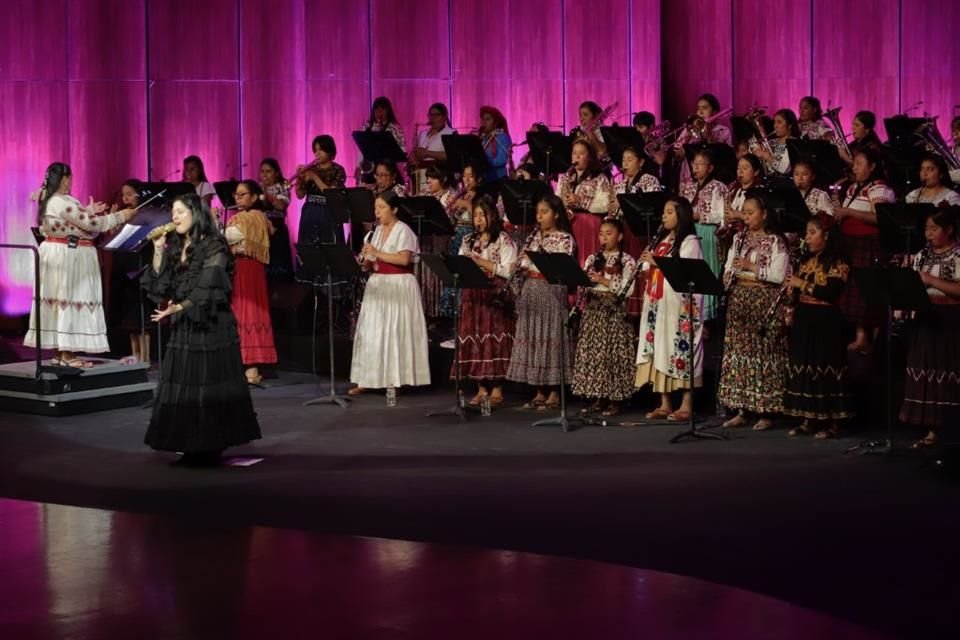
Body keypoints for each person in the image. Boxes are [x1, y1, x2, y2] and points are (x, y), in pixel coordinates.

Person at [143, 194, 261, 466]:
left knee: (208, 382)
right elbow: (162, 287)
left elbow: (209, 286)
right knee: (186, 382)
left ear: (196, 213)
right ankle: (188, 442)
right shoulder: (175, 245)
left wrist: (180, 307)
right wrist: (158, 250)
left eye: (180, 211)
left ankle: (210, 443)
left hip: (210, 324)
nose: (175, 217)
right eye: (173, 212)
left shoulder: (214, 245)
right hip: (185, 323)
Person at [24, 163, 135, 367]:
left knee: (61, 300)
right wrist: (121, 216)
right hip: (69, 256)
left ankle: (62, 352)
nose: (71, 181)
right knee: (70, 298)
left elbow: (76, 222)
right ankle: (67, 354)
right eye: (70, 177)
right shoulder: (59, 200)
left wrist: (88, 210)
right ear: (65, 178)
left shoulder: (51, 200)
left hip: (61, 253)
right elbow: (92, 225)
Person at [717, 195, 791, 431]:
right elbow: (729, 265)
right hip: (740, 300)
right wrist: (727, 275)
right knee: (739, 352)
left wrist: (751, 267)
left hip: (763, 301)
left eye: (751, 212)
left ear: (764, 214)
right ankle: (742, 408)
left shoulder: (776, 241)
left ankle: (766, 411)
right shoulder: (739, 238)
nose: (746, 217)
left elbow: (779, 275)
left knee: (763, 354)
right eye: (744, 213)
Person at [349, 191, 431, 396]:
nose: (377, 213)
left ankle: (394, 379)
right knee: (372, 332)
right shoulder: (374, 232)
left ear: (394, 209)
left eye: (382, 208)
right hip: (378, 285)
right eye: (376, 208)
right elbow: (368, 265)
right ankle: (368, 378)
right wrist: (365, 260)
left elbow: (404, 260)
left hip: (399, 285)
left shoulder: (404, 231)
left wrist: (376, 253)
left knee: (394, 332)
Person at [783, 214, 855, 439]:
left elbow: (831, 292)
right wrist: (790, 299)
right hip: (805, 317)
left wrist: (801, 283)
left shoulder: (839, 262)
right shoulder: (805, 260)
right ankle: (808, 419)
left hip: (827, 320)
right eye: (807, 233)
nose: (807, 238)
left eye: (812, 233)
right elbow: (796, 289)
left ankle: (834, 422)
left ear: (827, 236)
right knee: (805, 366)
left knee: (826, 368)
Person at [636, 197, 704, 422]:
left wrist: (656, 262)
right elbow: (649, 267)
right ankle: (664, 403)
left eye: (668, 212)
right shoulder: (662, 240)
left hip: (677, 305)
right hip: (657, 301)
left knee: (679, 349)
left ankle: (686, 404)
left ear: (680, 215)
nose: (663, 216)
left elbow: (686, 270)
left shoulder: (690, 241)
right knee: (659, 348)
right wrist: (647, 265)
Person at [506, 194, 575, 410]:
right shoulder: (532, 238)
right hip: (531, 291)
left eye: (544, 212)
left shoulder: (564, 239)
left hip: (551, 292)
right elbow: (523, 263)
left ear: (556, 214)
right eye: (538, 213)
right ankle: (538, 389)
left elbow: (561, 267)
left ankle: (554, 390)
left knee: (551, 336)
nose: (539, 217)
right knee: (533, 337)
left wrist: (534, 263)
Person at [899, 207, 960, 449]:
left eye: (934, 229)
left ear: (949, 230)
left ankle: (950, 430)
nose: (928, 234)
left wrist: (931, 280)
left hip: (951, 321)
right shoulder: (921, 255)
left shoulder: (957, 255)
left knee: (947, 371)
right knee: (926, 370)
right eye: (926, 229)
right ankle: (931, 428)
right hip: (925, 318)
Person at [571, 218, 638, 417]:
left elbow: (629, 289)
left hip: (614, 311)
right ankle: (599, 397)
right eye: (601, 233)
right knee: (596, 354)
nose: (604, 237)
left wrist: (603, 280)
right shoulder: (592, 258)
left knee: (612, 355)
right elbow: (583, 282)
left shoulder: (627, 260)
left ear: (619, 236)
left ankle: (615, 399)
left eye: (609, 233)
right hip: (594, 309)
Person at [455, 197, 518, 407]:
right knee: (474, 338)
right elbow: (459, 264)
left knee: (494, 339)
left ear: (492, 216)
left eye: (483, 215)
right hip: (472, 295)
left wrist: (481, 262)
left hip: (494, 295)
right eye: (475, 215)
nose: (478, 219)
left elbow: (509, 270)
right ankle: (481, 387)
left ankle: (498, 387)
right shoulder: (468, 240)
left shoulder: (504, 240)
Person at [834, 147, 895, 354]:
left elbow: (881, 218)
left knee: (867, 293)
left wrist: (848, 212)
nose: (855, 167)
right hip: (849, 243)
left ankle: (874, 342)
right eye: (854, 163)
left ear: (872, 166)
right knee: (853, 293)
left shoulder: (879, 188)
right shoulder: (852, 187)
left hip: (869, 245)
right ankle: (860, 338)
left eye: (860, 163)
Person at [224, 180, 277, 385]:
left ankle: (251, 369)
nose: (238, 198)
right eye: (236, 195)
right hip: (244, 269)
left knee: (248, 312)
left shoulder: (249, 218)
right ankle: (245, 367)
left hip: (247, 270)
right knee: (243, 312)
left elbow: (227, 237)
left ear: (254, 197)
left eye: (243, 194)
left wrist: (212, 224)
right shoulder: (253, 218)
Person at [678, 149, 728, 322]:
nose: (696, 167)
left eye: (700, 164)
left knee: (707, 270)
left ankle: (707, 316)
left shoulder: (718, 187)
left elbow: (722, 214)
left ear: (711, 167)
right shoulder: (688, 186)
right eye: (694, 163)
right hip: (690, 230)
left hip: (707, 232)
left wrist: (698, 215)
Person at [108, 179, 152, 363]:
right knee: (130, 322)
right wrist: (113, 219)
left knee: (141, 319)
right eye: (123, 194)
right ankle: (135, 355)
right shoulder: (122, 214)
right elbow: (113, 237)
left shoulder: (146, 214)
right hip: (123, 267)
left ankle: (146, 357)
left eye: (129, 194)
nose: (125, 198)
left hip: (139, 268)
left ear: (138, 194)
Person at [556, 139, 616, 264]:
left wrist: (580, 201)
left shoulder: (599, 178)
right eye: (574, 153)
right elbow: (557, 199)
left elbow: (605, 205)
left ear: (589, 157)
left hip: (589, 224)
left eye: (581, 153)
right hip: (568, 224)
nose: (576, 156)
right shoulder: (565, 178)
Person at [295, 134, 347, 245]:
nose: (317, 153)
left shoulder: (338, 170)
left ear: (330, 151)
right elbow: (300, 195)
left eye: (321, 149)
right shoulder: (311, 169)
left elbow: (331, 194)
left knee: (328, 246)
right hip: (310, 211)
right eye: (315, 150)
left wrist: (314, 177)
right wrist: (299, 178)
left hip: (328, 212)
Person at [258, 158, 294, 280]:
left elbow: (281, 205)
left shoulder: (282, 187)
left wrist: (266, 195)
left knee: (277, 266)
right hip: (260, 229)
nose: (264, 175)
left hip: (277, 229)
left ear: (276, 173)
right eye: (262, 171)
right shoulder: (257, 188)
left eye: (268, 171)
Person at [408, 102, 455, 194]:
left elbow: (450, 155)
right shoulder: (423, 133)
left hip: (438, 175)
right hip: (420, 173)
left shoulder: (451, 133)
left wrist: (427, 153)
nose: (432, 118)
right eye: (431, 115)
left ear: (444, 117)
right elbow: (415, 152)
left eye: (436, 115)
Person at [357, 96, 406, 183]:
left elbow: (402, 149)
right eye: (376, 108)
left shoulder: (394, 127)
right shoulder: (368, 126)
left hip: (387, 167)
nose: (379, 111)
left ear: (388, 110)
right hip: (370, 168)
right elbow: (361, 148)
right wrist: (358, 166)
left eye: (382, 108)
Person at [749, 109, 799, 176]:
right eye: (774, 122)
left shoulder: (794, 143)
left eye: (779, 122)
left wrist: (766, 156)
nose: (775, 126)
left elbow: (785, 169)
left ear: (789, 125)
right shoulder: (771, 142)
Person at [477, 106, 512, 183]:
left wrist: (484, 160)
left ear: (496, 122)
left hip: (498, 179)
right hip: (484, 179)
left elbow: (502, 160)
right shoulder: (482, 137)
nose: (483, 122)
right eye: (482, 119)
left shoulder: (502, 137)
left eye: (488, 119)